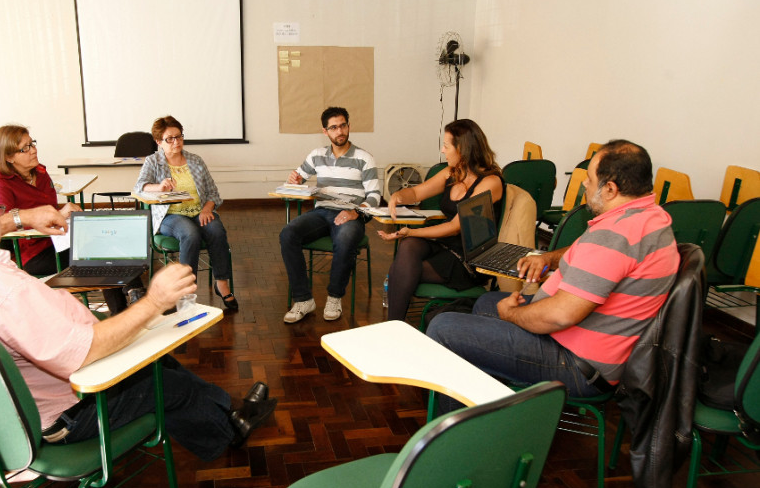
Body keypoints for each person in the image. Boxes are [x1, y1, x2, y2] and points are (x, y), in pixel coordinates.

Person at [0, 164, 276, 461]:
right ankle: (229, 432)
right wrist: (155, 300)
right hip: (63, 415)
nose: (1, 213)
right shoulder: (2, 291)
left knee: (162, 360)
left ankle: (228, 413)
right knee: (169, 380)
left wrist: (20, 219)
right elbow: (86, 351)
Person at [426, 140, 679, 414]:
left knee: (444, 328)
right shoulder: (649, 217)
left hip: (577, 364)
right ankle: (493, 403)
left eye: (590, 180)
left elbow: (561, 316)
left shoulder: (616, 236)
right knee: (486, 304)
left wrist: (512, 315)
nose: (584, 185)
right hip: (587, 346)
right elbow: (587, 251)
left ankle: (457, 433)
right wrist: (548, 258)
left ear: (610, 189)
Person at [378, 119, 504, 321]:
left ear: (462, 148)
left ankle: (394, 325)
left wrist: (411, 231)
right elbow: (417, 192)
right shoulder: (451, 173)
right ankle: (395, 325)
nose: (443, 151)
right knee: (408, 248)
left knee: (401, 270)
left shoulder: (490, 182)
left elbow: (455, 227)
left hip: (468, 255)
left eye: (446, 146)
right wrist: (398, 196)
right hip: (444, 241)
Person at [280, 107, 381, 322]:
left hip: (350, 214)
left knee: (344, 238)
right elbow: (298, 178)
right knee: (288, 234)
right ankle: (303, 299)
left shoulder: (364, 158)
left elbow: (374, 196)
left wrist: (355, 212)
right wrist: (295, 179)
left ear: (348, 126)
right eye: (334, 127)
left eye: (343, 125)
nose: (340, 131)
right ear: (325, 131)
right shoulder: (317, 155)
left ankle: (335, 297)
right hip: (322, 211)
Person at [134, 116, 238, 310]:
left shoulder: (195, 161)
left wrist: (207, 209)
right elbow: (139, 188)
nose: (176, 142)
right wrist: (159, 186)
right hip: (170, 216)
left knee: (216, 230)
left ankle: (222, 284)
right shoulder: (153, 162)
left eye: (179, 137)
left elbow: (213, 193)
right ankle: (186, 294)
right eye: (170, 139)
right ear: (159, 142)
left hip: (199, 212)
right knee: (190, 234)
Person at [0, 124, 80, 276]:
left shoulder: (40, 172)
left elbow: (47, 209)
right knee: (99, 257)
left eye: (32, 144)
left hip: (57, 240)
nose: (33, 150)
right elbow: (2, 224)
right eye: (25, 148)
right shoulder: (0, 182)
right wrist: (56, 216)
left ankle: (129, 294)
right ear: (9, 157)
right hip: (33, 253)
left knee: (106, 248)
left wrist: (61, 213)